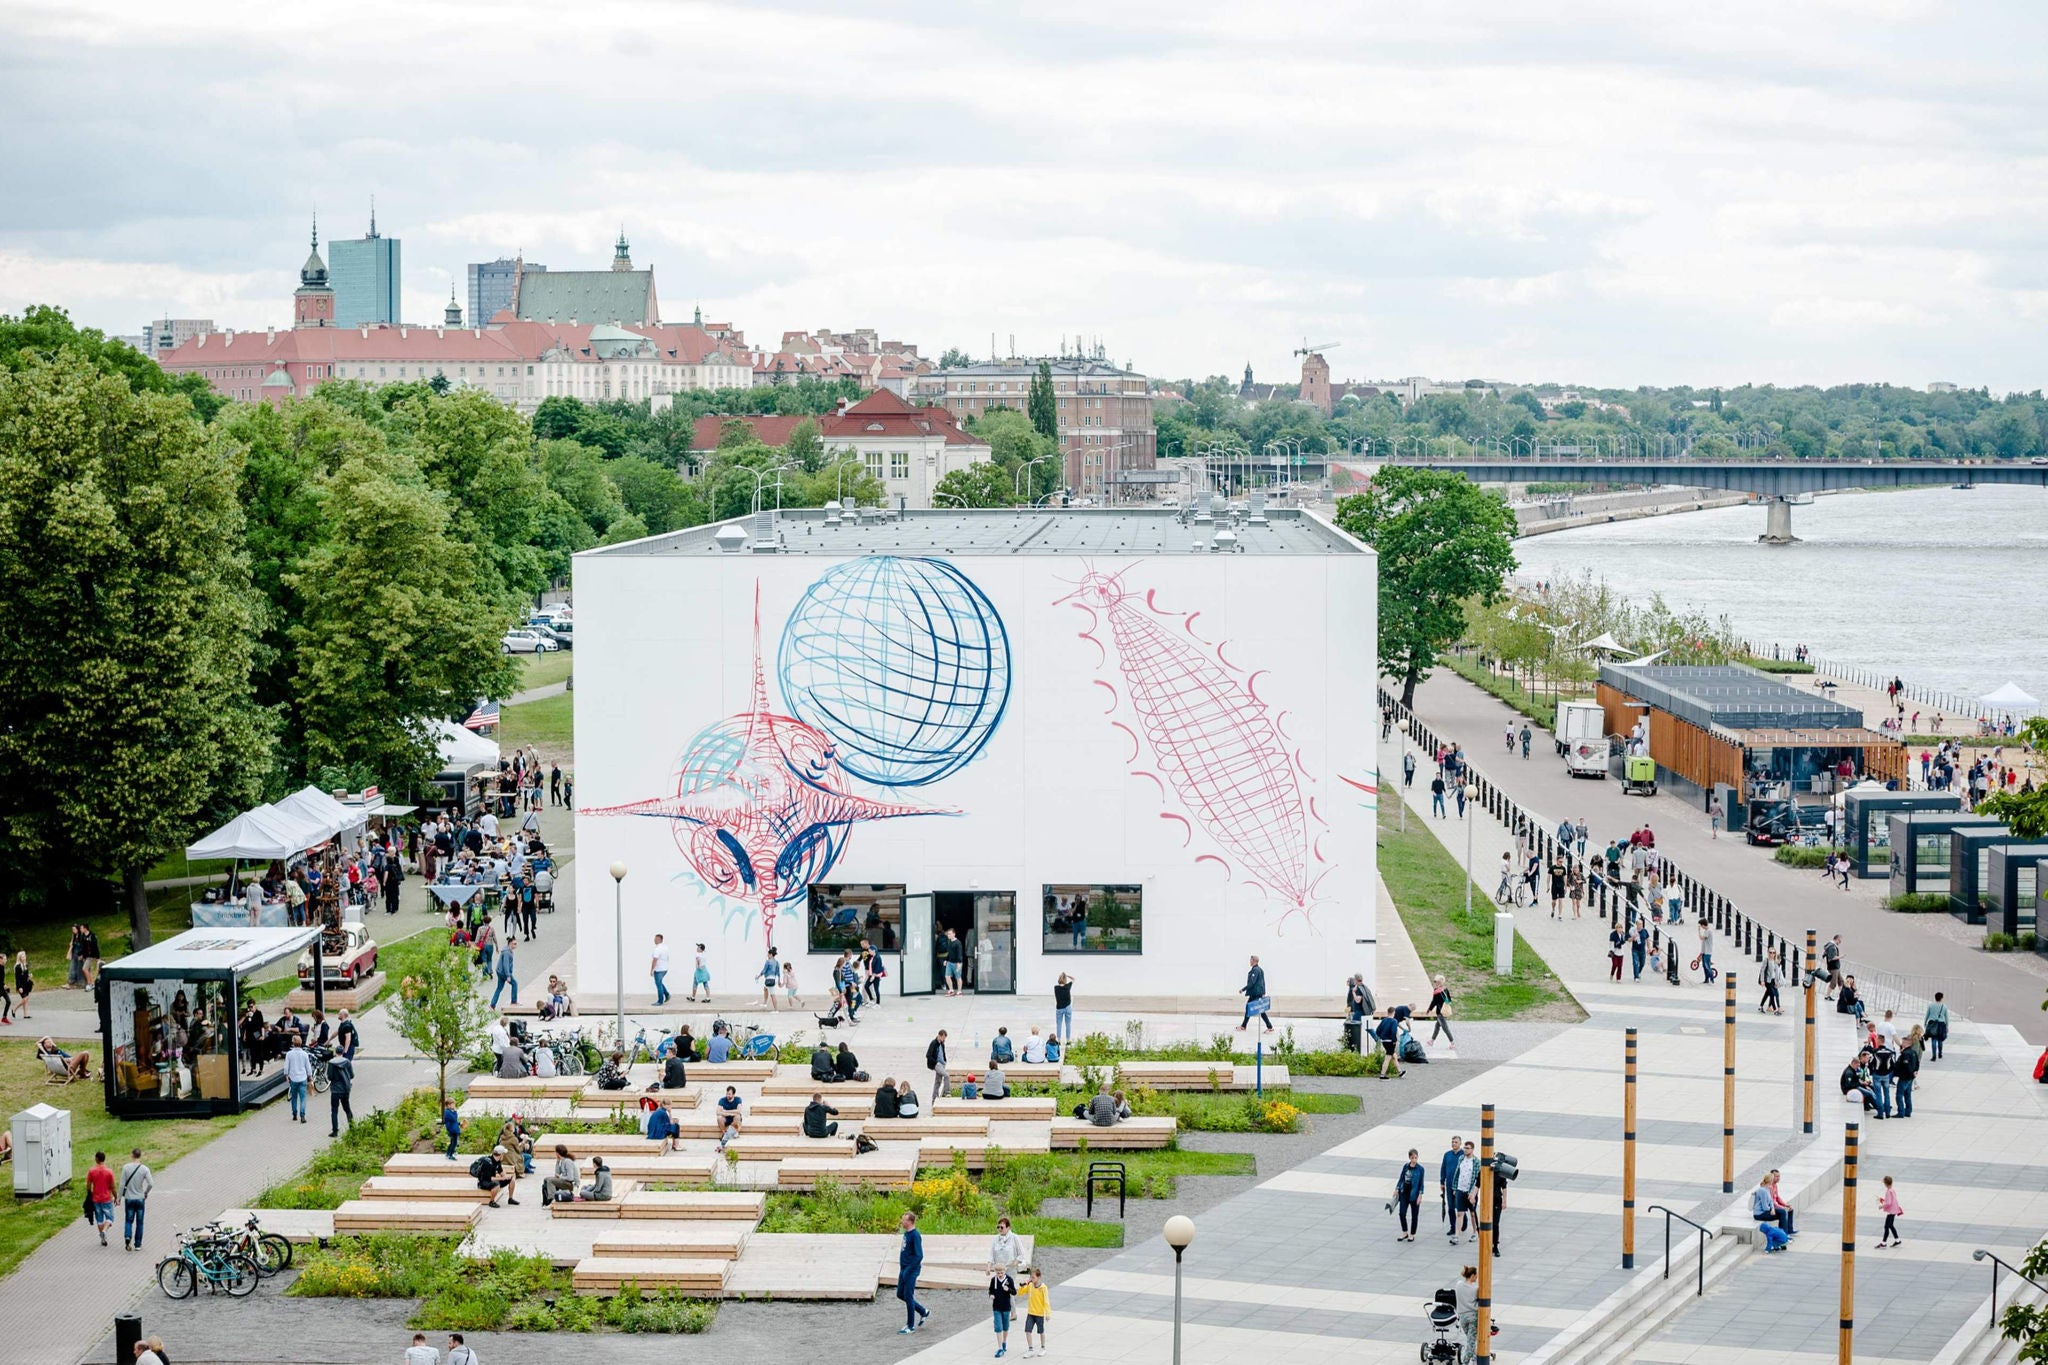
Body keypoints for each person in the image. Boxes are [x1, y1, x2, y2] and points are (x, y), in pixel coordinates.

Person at [898, 1211, 930, 1334]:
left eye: (903, 1220)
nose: (902, 1222)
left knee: (908, 1296)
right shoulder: (906, 1234)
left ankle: (910, 1325)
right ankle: (923, 1311)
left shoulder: (915, 1235)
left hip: (911, 1271)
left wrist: (909, 1270)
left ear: (910, 1222)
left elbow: (919, 1256)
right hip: (903, 1269)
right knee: (900, 1294)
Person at [119, 1147, 152, 1251]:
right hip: (140, 1198)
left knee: (129, 1220)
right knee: (140, 1222)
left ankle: (128, 1236)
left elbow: (121, 1185)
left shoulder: (126, 1168)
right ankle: (138, 1244)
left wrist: (119, 1198)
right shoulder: (144, 1169)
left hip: (129, 1198)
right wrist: (145, 1192)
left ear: (132, 1155)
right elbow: (151, 1183)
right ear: (140, 1156)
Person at [1747, 1177, 1791, 1252]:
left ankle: (1783, 1236)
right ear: (1770, 1181)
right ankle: (1784, 1236)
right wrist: (1771, 1210)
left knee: (1782, 1213)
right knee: (1782, 1213)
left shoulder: (1767, 1189)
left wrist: (1773, 1209)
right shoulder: (1762, 1190)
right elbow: (1765, 1207)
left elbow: (1770, 1201)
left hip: (1766, 1211)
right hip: (1759, 1214)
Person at [1394, 1148, 1426, 1242]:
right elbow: (1401, 1178)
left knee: (1414, 1215)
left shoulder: (1420, 1169)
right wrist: (1397, 1188)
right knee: (1402, 1213)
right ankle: (1405, 1232)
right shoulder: (1406, 1166)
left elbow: (1421, 1183)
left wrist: (1420, 1195)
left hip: (1414, 1194)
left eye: (1416, 1157)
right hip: (1404, 1193)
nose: (1414, 1160)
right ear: (1409, 1157)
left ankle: (1412, 1234)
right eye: (1412, 1158)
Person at [86, 1151, 117, 1246]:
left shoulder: (92, 1171)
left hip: (96, 1199)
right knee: (110, 1218)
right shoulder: (109, 1172)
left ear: (96, 1159)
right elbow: (113, 1187)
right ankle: (104, 1231)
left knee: (99, 1219)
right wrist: (116, 1197)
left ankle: (102, 1239)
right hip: (107, 1198)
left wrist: (90, 1193)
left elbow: (88, 1185)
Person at [1238, 955, 1272, 1033]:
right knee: (1259, 1010)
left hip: (1255, 994)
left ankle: (1244, 1026)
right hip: (1257, 993)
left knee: (1250, 1008)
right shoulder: (1259, 969)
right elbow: (1263, 982)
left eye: (1251, 960)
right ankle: (1269, 1027)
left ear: (1254, 961)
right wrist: (1263, 992)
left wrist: (1243, 989)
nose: (1250, 961)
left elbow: (1252, 983)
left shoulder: (1256, 970)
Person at [283, 1034, 313, 1124]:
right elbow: (308, 1067)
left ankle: (294, 1114)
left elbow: (286, 1066)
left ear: (293, 1043)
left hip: (293, 1078)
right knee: (303, 1098)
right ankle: (302, 1115)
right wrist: (310, 1076)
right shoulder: (304, 1054)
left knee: (294, 1097)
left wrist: (286, 1075)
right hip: (302, 1078)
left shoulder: (289, 1054)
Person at [1452, 1142, 1478, 1244]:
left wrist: (1473, 1193)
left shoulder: (1476, 1162)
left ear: (1472, 1149)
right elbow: (1457, 1173)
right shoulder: (1461, 1159)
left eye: (1467, 1148)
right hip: (1460, 1189)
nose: (1465, 1150)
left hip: (1470, 1191)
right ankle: (1456, 1235)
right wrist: (1455, 1188)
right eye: (1465, 1148)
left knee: (1472, 1213)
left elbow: (1477, 1179)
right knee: (1459, 1213)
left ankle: (1475, 1232)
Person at [1022, 1266, 1050, 1358]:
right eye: (1031, 1277)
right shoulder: (1030, 1286)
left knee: (1041, 1331)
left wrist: (1047, 1314)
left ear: (1039, 1277)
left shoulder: (1043, 1288)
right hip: (1031, 1313)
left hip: (1039, 1314)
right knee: (1027, 1330)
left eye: (1033, 1277)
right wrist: (1023, 1285)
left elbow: (1046, 1301)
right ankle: (1030, 1349)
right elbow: (1020, 1293)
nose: (1031, 1279)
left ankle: (1043, 1348)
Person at [989, 1265, 1017, 1358]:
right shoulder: (994, 1280)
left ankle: (1004, 1341)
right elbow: (991, 1290)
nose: (1000, 1274)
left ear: (1005, 1271)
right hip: (996, 1307)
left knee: (1005, 1327)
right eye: (998, 1273)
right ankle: (1000, 1348)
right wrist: (991, 1295)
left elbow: (1014, 1292)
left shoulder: (1009, 1279)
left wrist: (1008, 1289)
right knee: (998, 1327)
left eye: (1001, 1272)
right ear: (995, 1272)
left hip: (1006, 1307)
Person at [1438, 1135, 1463, 1239]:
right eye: (1452, 1142)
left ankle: (1463, 1221)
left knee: (1460, 1206)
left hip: (1459, 1185)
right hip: (1448, 1184)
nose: (1453, 1144)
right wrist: (1442, 1181)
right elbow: (1443, 1168)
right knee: (1451, 1206)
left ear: (1460, 1143)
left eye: (1456, 1142)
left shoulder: (1463, 1155)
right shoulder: (1447, 1155)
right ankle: (1453, 1226)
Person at [327, 1048, 355, 1136]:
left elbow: (330, 1077)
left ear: (336, 1052)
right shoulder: (347, 1062)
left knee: (334, 1110)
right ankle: (352, 1127)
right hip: (345, 1089)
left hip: (335, 1090)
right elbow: (352, 1075)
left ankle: (335, 1131)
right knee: (347, 1109)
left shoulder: (331, 1063)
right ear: (343, 1052)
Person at [1455, 1265, 1480, 1360]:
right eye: (1476, 1275)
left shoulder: (1458, 1284)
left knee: (1470, 1340)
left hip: (1462, 1317)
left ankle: (1475, 1357)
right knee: (1471, 1342)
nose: (1477, 1277)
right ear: (1472, 1275)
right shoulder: (1476, 1289)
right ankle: (1465, 1361)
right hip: (1473, 1317)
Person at [1426, 975, 1455, 1053]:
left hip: (1440, 1012)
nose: (1434, 983)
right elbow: (1449, 1000)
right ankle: (1432, 1040)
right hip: (1445, 1011)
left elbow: (1434, 1002)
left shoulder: (1436, 991)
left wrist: (1429, 1009)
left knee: (1445, 1028)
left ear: (1439, 982)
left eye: (1435, 981)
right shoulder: (1445, 989)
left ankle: (1452, 1043)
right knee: (1437, 1026)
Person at [1875, 1175, 1905, 1248]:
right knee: (1891, 1225)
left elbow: (1888, 1203)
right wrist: (1883, 1200)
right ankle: (1897, 1240)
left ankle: (1883, 1243)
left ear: (1885, 1183)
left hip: (1891, 1211)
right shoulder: (1892, 1190)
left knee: (1886, 1226)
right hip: (1894, 1210)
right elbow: (1892, 1201)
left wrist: (1881, 1206)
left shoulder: (1888, 1192)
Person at [1373, 1010, 1405, 1079]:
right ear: (1394, 1013)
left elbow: (1377, 1030)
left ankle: (1400, 1072)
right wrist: (1394, 1040)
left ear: (1388, 1012)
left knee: (1394, 1056)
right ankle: (1382, 1075)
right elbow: (1393, 1031)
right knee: (1387, 1058)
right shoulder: (1394, 1021)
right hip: (1390, 1041)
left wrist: (1381, 1036)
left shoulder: (1384, 1020)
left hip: (1384, 1041)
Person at [491, 935, 519, 1008]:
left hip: (500, 971)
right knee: (515, 984)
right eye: (514, 944)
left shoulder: (507, 951)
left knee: (499, 988)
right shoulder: (507, 953)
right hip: (503, 972)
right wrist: (508, 976)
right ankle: (513, 1001)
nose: (516, 945)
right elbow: (505, 964)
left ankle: (492, 1005)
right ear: (510, 944)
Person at [1924, 992, 1950, 1061]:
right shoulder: (1944, 1006)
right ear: (1941, 998)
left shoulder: (1931, 1005)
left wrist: (1925, 1023)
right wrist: (1947, 1026)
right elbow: (1947, 1017)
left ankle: (1934, 1056)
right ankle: (1940, 1053)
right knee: (1940, 1039)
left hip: (1932, 1024)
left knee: (1934, 1039)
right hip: (1941, 1024)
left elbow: (1927, 1015)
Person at [942, 928, 967, 996]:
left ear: (954, 934)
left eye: (950, 934)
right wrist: (946, 960)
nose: (948, 935)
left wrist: (959, 963)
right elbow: (949, 953)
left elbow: (959, 953)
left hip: (957, 963)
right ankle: (951, 990)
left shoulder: (958, 943)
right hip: (949, 962)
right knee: (947, 976)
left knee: (958, 977)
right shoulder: (949, 941)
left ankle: (959, 991)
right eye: (948, 934)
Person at [928, 1029, 950, 1102]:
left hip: (942, 1064)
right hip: (936, 1064)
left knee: (938, 1082)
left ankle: (934, 1099)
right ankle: (947, 1093)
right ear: (939, 1036)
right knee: (946, 1075)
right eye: (943, 1037)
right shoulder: (933, 1043)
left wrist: (945, 1061)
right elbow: (928, 1055)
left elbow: (943, 1053)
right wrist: (936, 1063)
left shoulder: (942, 1044)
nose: (944, 1039)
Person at [650, 934, 671, 1007]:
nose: (655, 940)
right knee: (660, 983)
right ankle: (667, 995)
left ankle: (660, 1001)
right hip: (665, 968)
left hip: (659, 969)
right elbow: (667, 957)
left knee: (658, 985)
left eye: (656, 939)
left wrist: (652, 970)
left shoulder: (657, 949)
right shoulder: (665, 947)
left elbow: (655, 960)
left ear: (660, 940)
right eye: (655, 938)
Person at [1053, 974, 1074, 1043]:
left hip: (1059, 1008)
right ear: (1065, 980)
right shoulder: (1068, 987)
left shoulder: (1056, 988)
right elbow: (1073, 979)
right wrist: (1067, 975)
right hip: (1067, 1007)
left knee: (1059, 1024)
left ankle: (1058, 1040)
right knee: (1068, 1024)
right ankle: (1068, 1040)